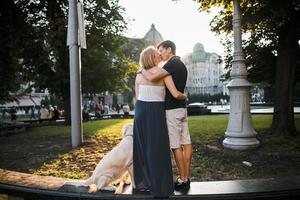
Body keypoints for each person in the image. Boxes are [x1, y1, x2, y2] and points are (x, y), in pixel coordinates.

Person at [138, 40, 192, 190]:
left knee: (176, 146)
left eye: (161, 50)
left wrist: (141, 70)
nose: (160, 53)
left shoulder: (170, 65)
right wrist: (184, 97)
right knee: (186, 143)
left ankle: (182, 179)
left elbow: (151, 78)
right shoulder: (181, 64)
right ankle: (186, 176)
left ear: (169, 49)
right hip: (182, 109)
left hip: (172, 110)